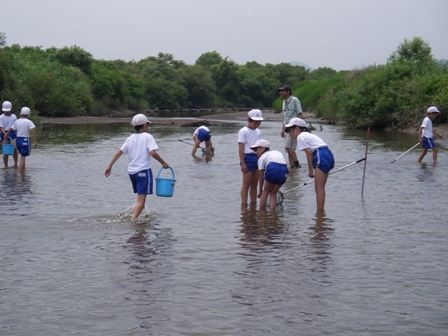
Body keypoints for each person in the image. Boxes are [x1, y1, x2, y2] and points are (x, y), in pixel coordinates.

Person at [104, 113, 170, 222]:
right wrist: (163, 163)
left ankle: (140, 220)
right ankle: (133, 221)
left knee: (141, 199)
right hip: (143, 171)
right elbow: (152, 153)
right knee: (141, 200)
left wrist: (109, 166)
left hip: (132, 173)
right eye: (147, 125)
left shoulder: (130, 138)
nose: (148, 127)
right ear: (144, 125)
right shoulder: (148, 137)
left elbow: (119, 152)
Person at [284, 117, 334, 211]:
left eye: (291, 131)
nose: (290, 134)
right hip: (328, 154)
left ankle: (319, 214)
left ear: (297, 128)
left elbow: (309, 153)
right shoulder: (308, 135)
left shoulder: (301, 137)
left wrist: (310, 170)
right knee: (321, 188)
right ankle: (320, 214)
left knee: (318, 188)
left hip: (320, 155)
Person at [250, 139, 289, 210]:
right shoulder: (276, 152)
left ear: (262, 148)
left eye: (256, 149)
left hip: (272, 166)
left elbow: (261, 176)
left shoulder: (261, 158)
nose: (255, 152)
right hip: (284, 170)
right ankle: (272, 215)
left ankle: (261, 213)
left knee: (266, 191)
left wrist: (260, 190)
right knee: (273, 192)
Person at [238, 109, 264, 206]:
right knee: (246, 185)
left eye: (259, 122)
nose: (257, 124)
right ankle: (244, 205)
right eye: (255, 122)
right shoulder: (243, 131)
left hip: (257, 158)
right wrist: (243, 163)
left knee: (254, 184)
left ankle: (253, 204)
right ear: (249, 120)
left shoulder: (258, 131)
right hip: (248, 158)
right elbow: (241, 148)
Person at [5, 107, 37, 172]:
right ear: (29, 114)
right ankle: (20, 173)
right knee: (23, 157)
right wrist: (35, 141)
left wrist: (6, 135)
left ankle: (23, 170)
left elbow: (11, 129)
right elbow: (31, 130)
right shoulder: (29, 122)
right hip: (25, 140)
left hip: (18, 140)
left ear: (20, 114)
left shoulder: (17, 121)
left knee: (22, 156)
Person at [279, 84, 302, 169]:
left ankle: (297, 164)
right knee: (289, 149)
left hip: (293, 128)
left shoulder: (295, 100)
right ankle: (292, 167)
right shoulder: (284, 102)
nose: (281, 92)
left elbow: (300, 114)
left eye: (282, 91)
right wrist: (282, 129)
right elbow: (284, 117)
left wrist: (297, 129)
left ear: (288, 91)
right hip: (286, 128)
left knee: (288, 147)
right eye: (280, 91)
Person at [0, 101, 18, 168]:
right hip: (4, 133)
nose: (6, 112)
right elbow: (1, 127)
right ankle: (6, 166)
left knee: (15, 148)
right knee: (6, 150)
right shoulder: (1, 117)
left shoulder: (14, 116)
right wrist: (5, 134)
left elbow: (16, 125)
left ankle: (15, 164)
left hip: (13, 133)